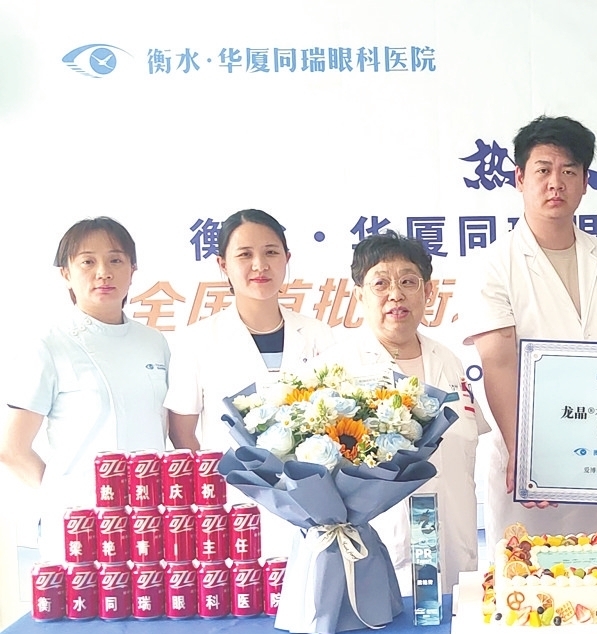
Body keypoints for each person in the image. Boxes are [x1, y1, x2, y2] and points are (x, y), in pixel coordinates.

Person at [462, 115, 597, 551]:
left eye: (569, 171)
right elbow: (499, 363)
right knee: (532, 576)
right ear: (519, 178)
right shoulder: (493, 265)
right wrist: (523, 452)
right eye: (543, 170)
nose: (555, 183)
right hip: (535, 449)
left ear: (585, 182)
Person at [317, 232, 490, 595]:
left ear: (428, 292)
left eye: (408, 282)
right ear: (359, 296)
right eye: (380, 283)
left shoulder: (449, 360)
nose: (395, 294)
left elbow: (465, 443)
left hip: (456, 540)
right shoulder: (336, 369)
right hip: (380, 548)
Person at [0, 217, 181, 562]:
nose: (103, 272)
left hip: (149, 520)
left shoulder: (154, 343)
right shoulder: (49, 344)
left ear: (133, 269)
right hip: (81, 526)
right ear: (66, 273)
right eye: (87, 261)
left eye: (115, 260)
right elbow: (12, 450)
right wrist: (65, 499)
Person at [165, 209, 334, 556]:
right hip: (233, 506)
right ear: (223, 265)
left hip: (313, 504)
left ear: (287, 259)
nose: (260, 265)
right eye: (244, 254)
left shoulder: (318, 335)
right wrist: (215, 489)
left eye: (271, 252)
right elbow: (182, 434)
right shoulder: (197, 341)